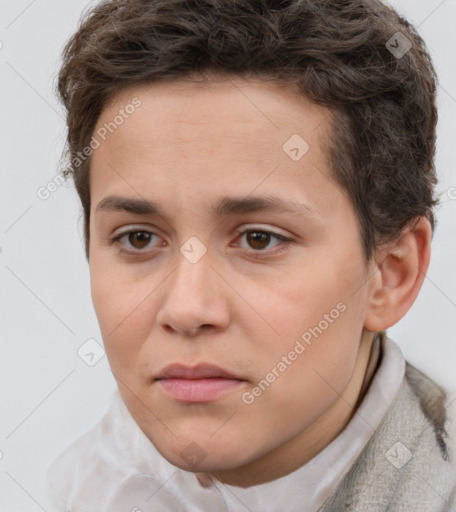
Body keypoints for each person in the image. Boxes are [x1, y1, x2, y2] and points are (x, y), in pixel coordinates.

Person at [46, 0, 456, 510]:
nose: (186, 309)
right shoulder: (90, 484)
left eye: (259, 239)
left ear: (391, 275)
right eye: (139, 238)